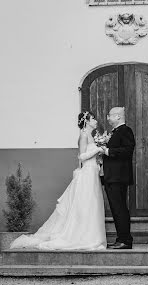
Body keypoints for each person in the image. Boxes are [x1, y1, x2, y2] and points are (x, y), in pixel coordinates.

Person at [9, 111, 106, 250]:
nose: (96, 120)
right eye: (93, 118)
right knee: (85, 204)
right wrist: (97, 150)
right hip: (87, 174)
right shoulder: (83, 136)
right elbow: (81, 157)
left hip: (93, 173)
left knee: (91, 204)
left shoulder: (92, 136)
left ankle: (91, 235)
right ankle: (80, 236)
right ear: (87, 121)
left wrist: (98, 156)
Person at [102, 106, 135, 249]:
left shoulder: (125, 130)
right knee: (116, 209)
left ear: (118, 117)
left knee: (120, 209)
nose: (108, 118)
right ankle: (121, 238)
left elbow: (128, 150)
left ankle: (125, 240)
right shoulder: (115, 132)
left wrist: (108, 151)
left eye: (109, 115)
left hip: (118, 177)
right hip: (112, 177)